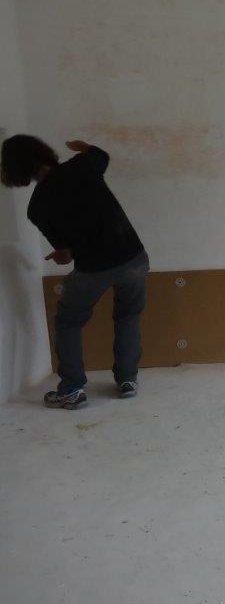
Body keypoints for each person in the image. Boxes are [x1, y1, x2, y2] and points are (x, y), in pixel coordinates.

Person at [1, 136, 149, 409]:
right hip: (133, 258)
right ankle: (127, 381)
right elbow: (101, 155)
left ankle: (72, 389)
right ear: (42, 152)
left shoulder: (37, 208)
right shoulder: (82, 166)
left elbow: (66, 254)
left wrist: (60, 255)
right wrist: (82, 146)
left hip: (94, 269)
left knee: (68, 322)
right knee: (128, 316)